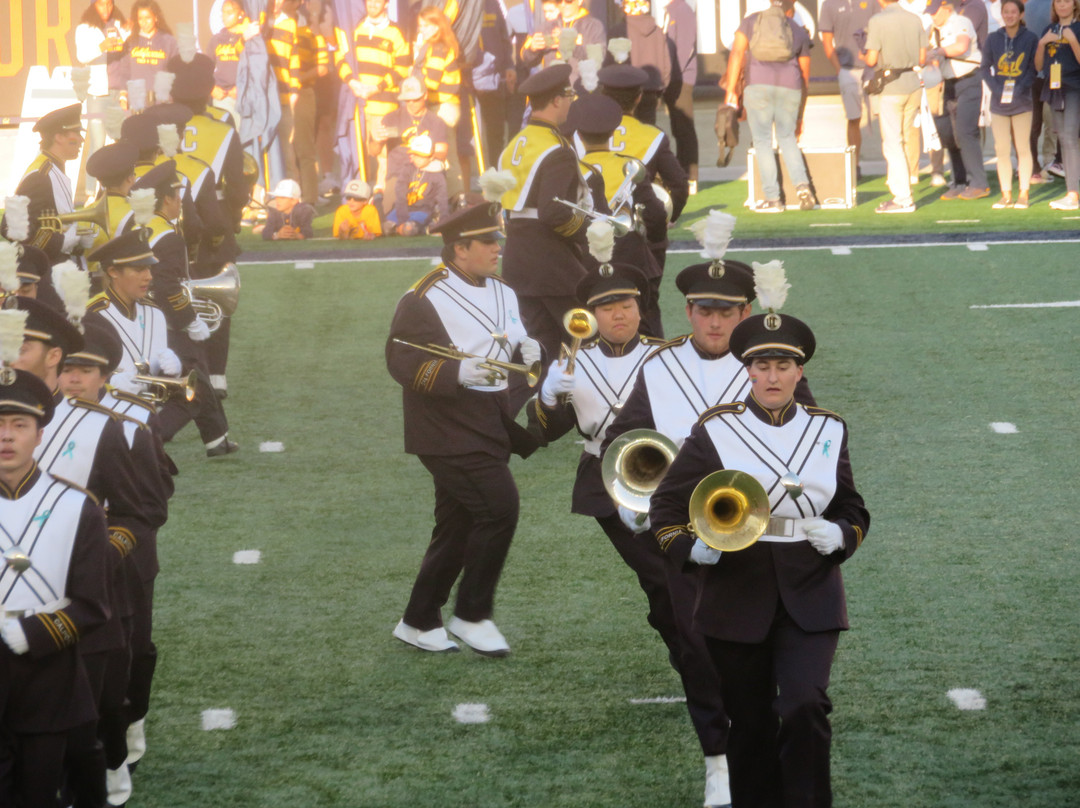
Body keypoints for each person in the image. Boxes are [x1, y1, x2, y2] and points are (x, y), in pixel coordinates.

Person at [649, 300, 869, 808]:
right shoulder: (715, 429)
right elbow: (665, 508)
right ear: (747, 370)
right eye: (762, 366)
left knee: (804, 705)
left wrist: (842, 534)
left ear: (799, 371)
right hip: (734, 587)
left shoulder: (828, 428)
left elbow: (852, 507)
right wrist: (693, 549)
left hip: (809, 588)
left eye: (784, 366)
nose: (773, 376)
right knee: (747, 723)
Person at [529, 263, 732, 808]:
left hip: (676, 481)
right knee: (669, 590)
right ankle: (696, 660)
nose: (618, 313)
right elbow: (536, 434)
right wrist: (550, 396)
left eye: (626, 303)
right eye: (605, 306)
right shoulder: (574, 361)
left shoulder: (664, 356)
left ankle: (702, 666)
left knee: (675, 595)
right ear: (590, 316)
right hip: (609, 483)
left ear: (641, 308)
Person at [385, 203, 541, 657]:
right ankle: (472, 614)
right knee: (499, 508)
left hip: (487, 420)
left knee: (456, 525)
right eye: (488, 242)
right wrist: (457, 374)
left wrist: (533, 350)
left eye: (497, 239)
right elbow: (400, 358)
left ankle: (418, 620)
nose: (498, 248)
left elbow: (512, 339)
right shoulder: (423, 296)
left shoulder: (503, 290)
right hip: (444, 426)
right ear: (460, 249)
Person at [57, 321, 175, 800]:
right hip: (59, 564)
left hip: (124, 557)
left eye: (84, 368)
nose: (74, 378)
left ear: (105, 373)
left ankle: (127, 729)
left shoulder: (131, 421)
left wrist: (108, 545)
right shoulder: (38, 420)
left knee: (133, 651)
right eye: (66, 367)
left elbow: (152, 499)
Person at [0, 370, 110, 808]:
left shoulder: (76, 506)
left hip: (48, 679)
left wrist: (33, 633)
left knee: (41, 795)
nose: (6, 436)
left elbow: (94, 604)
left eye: (19, 425)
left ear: (40, 434)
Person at [85, 227, 239, 457]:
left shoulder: (154, 311)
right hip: (107, 410)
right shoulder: (93, 315)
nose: (148, 276)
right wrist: (111, 382)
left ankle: (150, 438)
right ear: (113, 272)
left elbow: (157, 371)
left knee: (195, 384)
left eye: (149, 267)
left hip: (147, 409)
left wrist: (174, 368)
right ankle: (145, 441)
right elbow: (78, 379)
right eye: (139, 269)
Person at [496, 63, 590, 408]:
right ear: (555, 101)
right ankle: (578, 408)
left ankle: (508, 413)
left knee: (534, 348)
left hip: (519, 259)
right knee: (584, 335)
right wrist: (589, 234)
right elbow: (553, 212)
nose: (570, 103)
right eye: (568, 96)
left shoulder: (516, 143)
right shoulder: (557, 148)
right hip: (552, 265)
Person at [571, 92, 667, 337]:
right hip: (633, 261)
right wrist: (652, 247)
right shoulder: (630, 166)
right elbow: (656, 216)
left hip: (585, 265)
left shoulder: (571, 169)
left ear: (578, 136)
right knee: (648, 332)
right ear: (614, 132)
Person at [724, 0, 816, 213]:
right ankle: (802, 187)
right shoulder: (797, 30)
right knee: (787, 138)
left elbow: (737, 54)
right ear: (789, 7)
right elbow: (805, 75)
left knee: (762, 141)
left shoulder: (750, 22)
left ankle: (773, 199)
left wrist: (731, 92)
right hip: (790, 88)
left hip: (758, 86)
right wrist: (800, 113)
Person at [596, 63, 689, 267]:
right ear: (639, 98)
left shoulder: (582, 134)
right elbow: (679, 184)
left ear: (602, 95)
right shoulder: (653, 136)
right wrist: (668, 217)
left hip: (592, 232)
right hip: (636, 234)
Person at [1, 103, 86, 311]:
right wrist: (62, 242)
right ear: (58, 137)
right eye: (75, 133)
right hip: (49, 278)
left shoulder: (55, 169)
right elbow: (10, 227)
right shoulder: (41, 175)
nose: (81, 140)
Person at [334, 0, 411, 194]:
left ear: (386, 4)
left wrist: (377, 87)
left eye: (377, 1)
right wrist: (352, 82)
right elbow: (340, 57)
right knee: (359, 150)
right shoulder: (355, 28)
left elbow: (402, 67)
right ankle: (360, 193)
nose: (372, 4)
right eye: (369, 1)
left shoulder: (395, 31)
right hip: (358, 102)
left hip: (384, 104)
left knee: (383, 152)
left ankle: (382, 195)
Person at [865, 0, 928, 213]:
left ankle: (903, 198)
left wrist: (863, 55)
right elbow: (922, 57)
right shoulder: (914, 19)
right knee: (903, 138)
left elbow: (871, 59)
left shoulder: (877, 20)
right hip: (913, 83)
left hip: (891, 86)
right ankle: (900, 193)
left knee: (893, 143)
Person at [928, 0, 990, 200]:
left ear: (946, 9)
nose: (932, 16)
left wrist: (937, 51)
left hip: (968, 80)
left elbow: (961, 46)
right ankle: (959, 181)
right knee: (948, 135)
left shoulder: (961, 21)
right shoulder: (933, 30)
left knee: (965, 132)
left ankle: (979, 183)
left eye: (935, 12)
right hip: (946, 84)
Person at [981, 0, 1039, 208]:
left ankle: (1024, 193)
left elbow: (1033, 69)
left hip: (1022, 102)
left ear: (1021, 14)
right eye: (1006, 12)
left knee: (1023, 148)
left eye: (1014, 12)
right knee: (1001, 150)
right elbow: (984, 68)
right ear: (1002, 14)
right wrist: (997, 88)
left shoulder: (1030, 38)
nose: (1010, 15)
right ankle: (1006, 194)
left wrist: (1020, 87)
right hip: (999, 103)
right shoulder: (993, 38)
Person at [74, 0, 130, 198]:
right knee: (97, 144)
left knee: (122, 142)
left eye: (109, 4)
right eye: (101, 5)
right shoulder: (85, 28)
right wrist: (102, 46)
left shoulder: (121, 26)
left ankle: (121, 190)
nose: (106, 9)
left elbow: (127, 59)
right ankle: (91, 193)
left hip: (118, 92)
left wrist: (125, 91)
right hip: (97, 93)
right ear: (93, 6)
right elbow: (82, 56)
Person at [819, 0, 879, 175]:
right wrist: (839, 69)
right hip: (847, 70)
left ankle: (894, 165)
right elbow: (827, 41)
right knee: (854, 119)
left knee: (885, 117)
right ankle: (855, 165)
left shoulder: (872, 2)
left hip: (873, 69)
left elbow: (881, 29)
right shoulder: (829, 4)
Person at [412, 6, 465, 201]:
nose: (421, 30)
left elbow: (429, 83)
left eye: (425, 26)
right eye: (420, 26)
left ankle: (454, 198)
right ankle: (454, 198)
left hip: (443, 107)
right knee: (445, 154)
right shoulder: (439, 45)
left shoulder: (437, 47)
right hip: (446, 106)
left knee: (443, 156)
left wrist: (416, 57)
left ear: (436, 27)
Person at [1035, 0, 1080, 209]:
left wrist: (1073, 41)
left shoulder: (1078, 28)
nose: (1062, 5)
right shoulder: (1049, 29)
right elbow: (1038, 66)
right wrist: (1042, 44)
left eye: (1066, 1)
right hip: (1053, 88)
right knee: (1063, 139)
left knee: (1070, 137)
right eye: (1058, 2)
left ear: (1074, 5)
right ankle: (1072, 192)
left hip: (1074, 88)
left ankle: (1073, 194)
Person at [662, 0, 700, 191]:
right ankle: (681, 173)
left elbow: (685, 47)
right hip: (671, 77)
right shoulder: (669, 10)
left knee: (684, 126)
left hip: (681, 78)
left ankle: (690, 176)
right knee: (677, 127)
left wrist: (672, 75)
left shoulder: (683, 10)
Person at [385, 134, 449, 235]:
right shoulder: (407, 169)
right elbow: (400, 195)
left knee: (409, 229)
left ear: (431, 156)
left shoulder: (437, 174)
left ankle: (426, 228)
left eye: (422, 156)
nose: (418, 158)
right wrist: (402, 219)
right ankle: (399, 229)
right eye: (415, 155)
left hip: (422, 211)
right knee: (385, 228)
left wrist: (444, 220)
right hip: (403, 209)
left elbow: (442, 199)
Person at [120, 0, 178, 108]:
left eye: (148, 18)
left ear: (155, 18)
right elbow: (124, 72)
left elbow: (176, 72)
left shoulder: (169, 41)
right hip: (137, 103)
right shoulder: (130, 42)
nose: (144, 22)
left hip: (162, 103)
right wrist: (123, 96)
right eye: (140, 18)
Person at [208, 0, 250, 124]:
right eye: (223, 12)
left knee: (244, 139)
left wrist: (242, 88)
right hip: (222, 97)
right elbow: (205, 69)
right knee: (225, 138)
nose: (224, 16)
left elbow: (255, 68)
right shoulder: (216, 39)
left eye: (229, 12)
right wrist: (212, 88)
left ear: (241, 14)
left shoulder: (248, 38)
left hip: (244, 96)